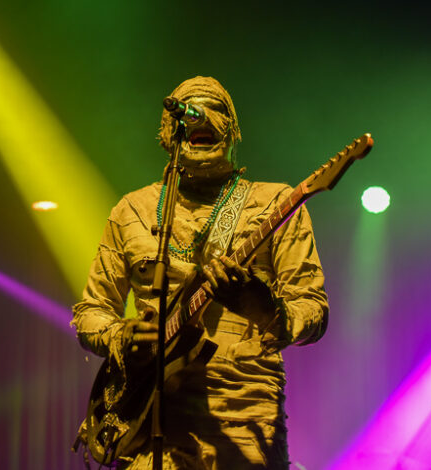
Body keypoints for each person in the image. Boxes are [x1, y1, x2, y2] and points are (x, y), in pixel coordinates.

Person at [71, 76, 329, 469]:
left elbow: (314, 312)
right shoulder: (132, 211)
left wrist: (263, 307)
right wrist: (123, 336)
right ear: (168, 131)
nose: (202, 117)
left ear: (233, 129)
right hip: (149, 418)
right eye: (190, 109)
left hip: (243, 421)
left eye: (217, 109)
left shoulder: (275, 203)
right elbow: (91, 312)